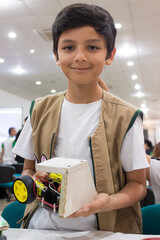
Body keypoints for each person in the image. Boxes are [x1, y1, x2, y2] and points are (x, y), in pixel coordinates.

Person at [13, 3, 149, 233]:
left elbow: (138, 185)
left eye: (93, 47)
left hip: (102, 231)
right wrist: (32, 180)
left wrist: (107, 202)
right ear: (56, 55)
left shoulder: (125, 117)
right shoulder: (39, 109)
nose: (79, 56)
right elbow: (28, 169)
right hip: (42, 229)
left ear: (110, 54)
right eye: (68, 47)